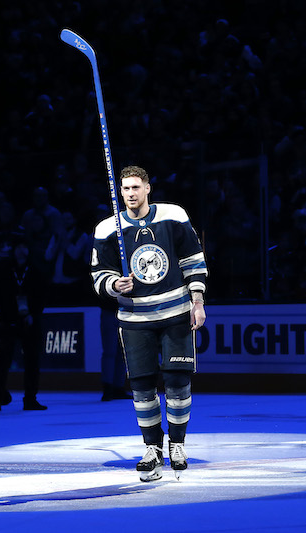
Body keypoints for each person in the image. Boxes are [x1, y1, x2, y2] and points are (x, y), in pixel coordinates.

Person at [91, 165, 208, 482]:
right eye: (124, 189)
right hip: (134, 317)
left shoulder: (173, 215)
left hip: (175, 312)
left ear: (147, 188)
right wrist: (115, 285)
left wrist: (197, 301)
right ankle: (152, 448)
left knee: (177, 382)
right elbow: (99, 274)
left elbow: (193, 260)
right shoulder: (107, 229)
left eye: (135, 187)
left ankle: (177, 444)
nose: (130, 194)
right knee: (142, 386)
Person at [0, 232, 47, 411]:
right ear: (13, 250)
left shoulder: (35, 270)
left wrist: (33, 314)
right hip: (7, 320)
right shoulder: (3, 270)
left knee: (32, 361)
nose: (21, 251)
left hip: (30, 321)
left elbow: (41, 297)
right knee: (2, 360)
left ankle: (30, 399)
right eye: (18, 247)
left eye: (24, 247)